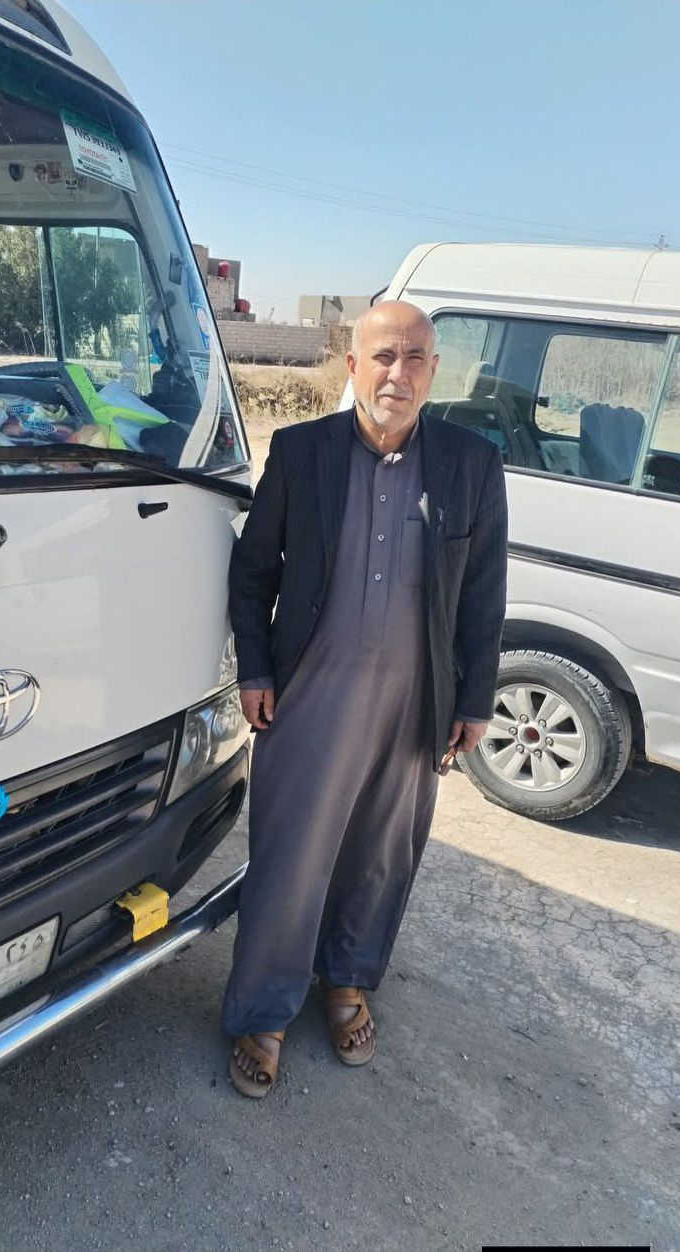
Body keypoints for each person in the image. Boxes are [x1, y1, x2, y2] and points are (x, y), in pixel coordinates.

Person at [223, 300, 507, 1097]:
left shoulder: (471, 464)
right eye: (382, 356)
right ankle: (263, 1011)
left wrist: (473, 700)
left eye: (414, 358)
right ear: (351, 366)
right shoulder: (301, 452)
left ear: (433, 373)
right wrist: (254, 671)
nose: (397, 373)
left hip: (415, 704)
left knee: (380, 855)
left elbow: (483, 594)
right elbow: (253, 573)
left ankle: (345, 982)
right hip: (311, 694)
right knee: (291, 857)